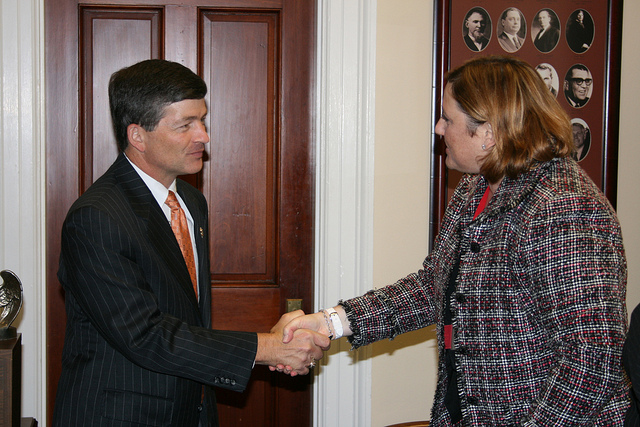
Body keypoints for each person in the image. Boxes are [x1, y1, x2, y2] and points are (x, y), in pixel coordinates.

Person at [279, 56, 630, 425]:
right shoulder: (475, 188)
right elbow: (434, 286)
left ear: (490, 134)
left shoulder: (563, 206)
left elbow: (593, 356)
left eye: (448, 118)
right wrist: (330, 323)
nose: (438, 128)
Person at [53, 59, 329, 426]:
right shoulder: (96, 218)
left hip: (191, 410)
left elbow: (187, 317)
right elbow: (146, 336)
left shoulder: (191, 202)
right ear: (138, 136)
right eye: (185, 125)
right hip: (121, 416)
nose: (204, 135)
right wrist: (269, 347)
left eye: (202, 119)